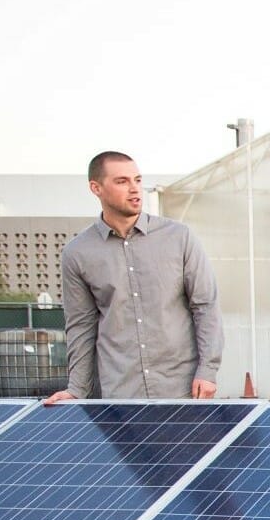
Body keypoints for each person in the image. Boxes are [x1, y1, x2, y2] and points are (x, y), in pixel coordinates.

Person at [47, 151, 221, 403]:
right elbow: (81, 326)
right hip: (119, 393)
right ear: (96, 188)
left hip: (182, 390)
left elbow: (205, 306)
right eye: (122, 181)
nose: (134, 189)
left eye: (137, 180)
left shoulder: (179, 237)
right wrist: (76, 388)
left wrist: (208, 370)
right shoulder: (77, 253)